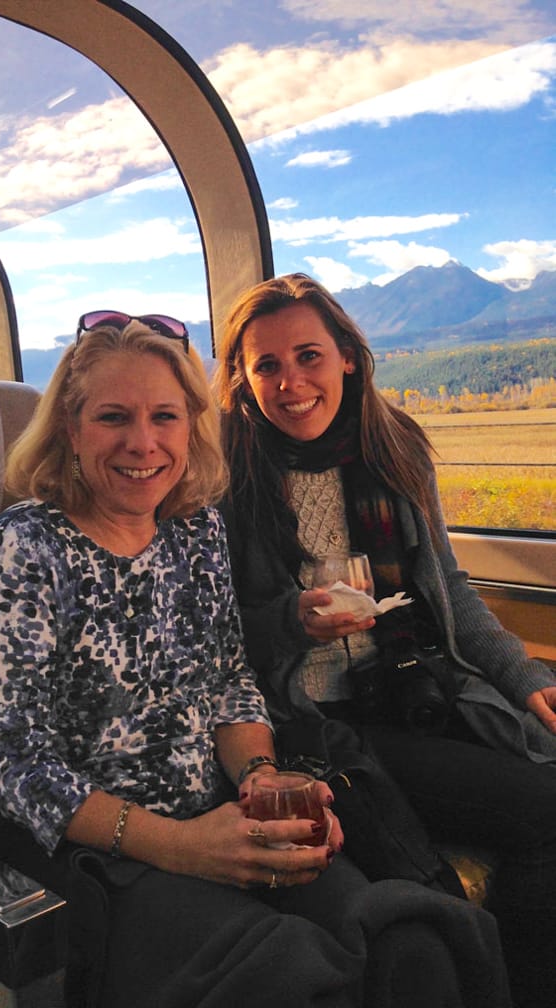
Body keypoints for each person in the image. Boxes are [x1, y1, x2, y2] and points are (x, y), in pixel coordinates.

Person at [0, 313, 509, 1008]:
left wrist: (261, 779)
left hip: (218, 812)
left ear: (191, 426)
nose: (143, 443)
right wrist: (178, 846)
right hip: (98, 847)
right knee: (299, 977)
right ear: (69, 428)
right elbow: (10, 756)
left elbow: (229, 682)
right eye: (113, 418)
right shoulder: (23, 546)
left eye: (165, 416)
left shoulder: (193, 528)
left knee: (413, 948)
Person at [214, 272, 556, 1008]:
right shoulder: (225, 479)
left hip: (419, 688)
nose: (291, 382)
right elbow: (210, 639)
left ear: (346, 357)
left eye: (308, 356)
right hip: (324, 727)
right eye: (266, 365)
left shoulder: (394, 449)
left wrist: (526, 679)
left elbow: (451, 595)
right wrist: (291, 622)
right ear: (242, 381)